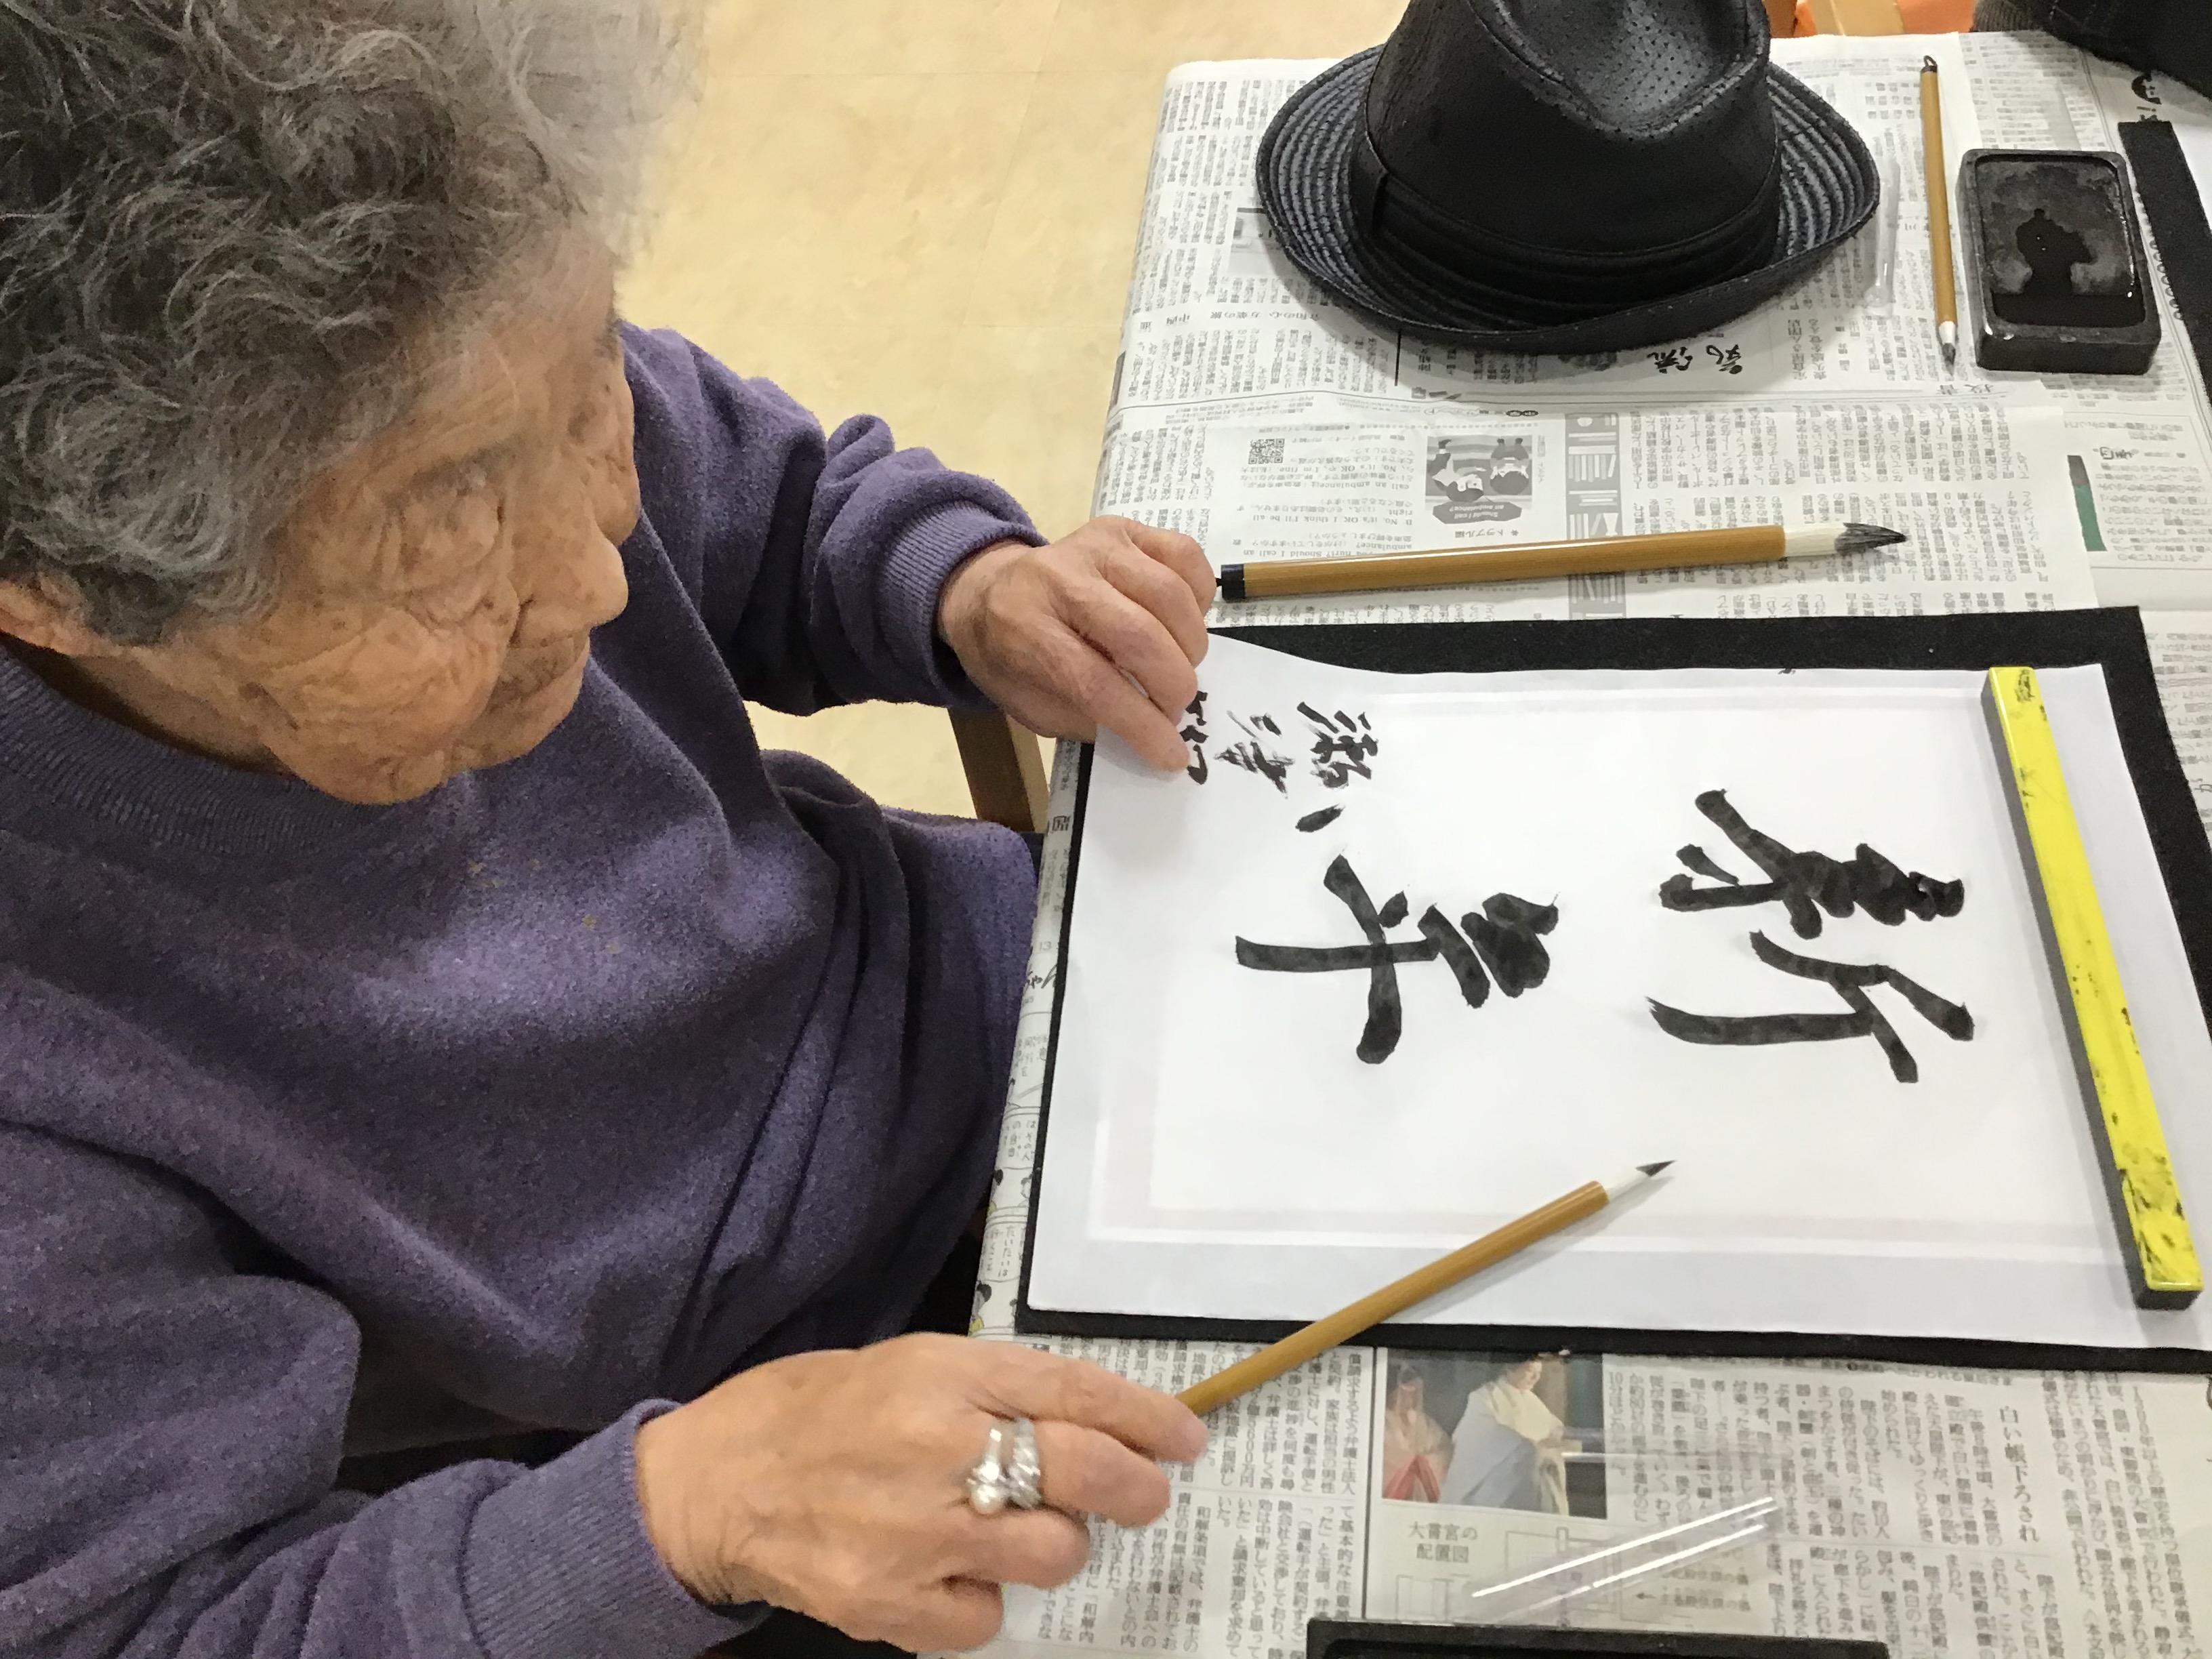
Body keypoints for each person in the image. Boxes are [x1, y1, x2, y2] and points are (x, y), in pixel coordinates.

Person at [0, 3, 1214, 1656]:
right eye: (440, 525)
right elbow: (171, 1618)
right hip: (732, 1459)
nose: (594, 567)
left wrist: (960, 582)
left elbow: (770, 496)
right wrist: (688, 1509)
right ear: (59, 597)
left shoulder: (459, 342)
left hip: (972, 1010)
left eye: (589, 390)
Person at [1439, 1359, 1573, 1513]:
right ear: (1510, 1367)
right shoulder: (1484, 1397)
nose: (1535, 1378)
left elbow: (1553, 1427)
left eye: (1539, 1373)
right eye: (1530, 1371)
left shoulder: (1532, 1401)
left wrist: (1552, 1442)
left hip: (1529, 1477)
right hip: (1493, 1478)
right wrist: (1525, 1447)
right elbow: (1484, 1432)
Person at [1380, 1365, 1454, 1503]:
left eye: (1414, 1393)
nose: (1410, 1399)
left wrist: (1422, 1463)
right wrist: (1407, 1463)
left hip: (1423, 1493)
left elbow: (1443, 1450)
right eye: (1405, 1393)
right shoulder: (1381, 1422)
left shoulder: (1424, 1422)